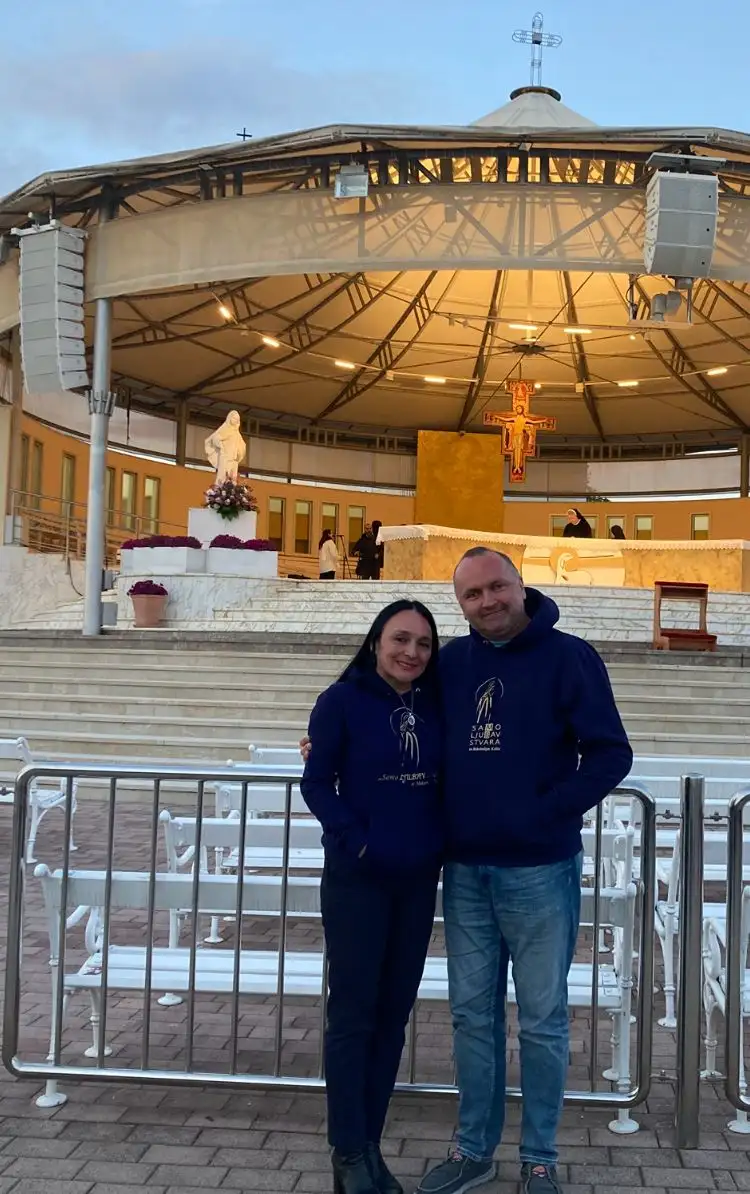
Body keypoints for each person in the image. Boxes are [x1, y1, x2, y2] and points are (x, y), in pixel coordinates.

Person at [303, 550, 632, 1194]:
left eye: (497, 587)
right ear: (461, 605)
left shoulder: (571, 658)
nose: (488, 602)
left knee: (542, 1020)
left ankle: (539, 1157)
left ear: (520, 585)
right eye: (472, 595)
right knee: (471, 1018)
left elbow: (610, 753)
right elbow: (387, 711)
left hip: (539, 869)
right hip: (464, 871)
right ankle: (474, 1149)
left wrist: (546, 811)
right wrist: (326, 743)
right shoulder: (451, 663)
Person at [301, 600, 444, 1194]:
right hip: (358, 881)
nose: (411, 652)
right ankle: (347, 1150)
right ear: (375, 642)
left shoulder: (437, 703)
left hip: (416, 882)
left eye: (424, 644)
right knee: (353, 1016)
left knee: (392, 1018)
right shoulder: (341, 701)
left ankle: (370, 1147)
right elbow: (317, 784)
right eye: (400, 639)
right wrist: (356, 841)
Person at [204, 410, 246, 483]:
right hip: (225, 457)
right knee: (223, 476)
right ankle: (221, 486)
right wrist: (221, 446)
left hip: (234, 459)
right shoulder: (225, 429)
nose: (236, 420)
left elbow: (242, 445)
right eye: (234, 418)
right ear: (230, 418)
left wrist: (240, 451)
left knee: (233, 477)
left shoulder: (237, 434)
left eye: (237, 419)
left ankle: (231, 486)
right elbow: (215, 438)